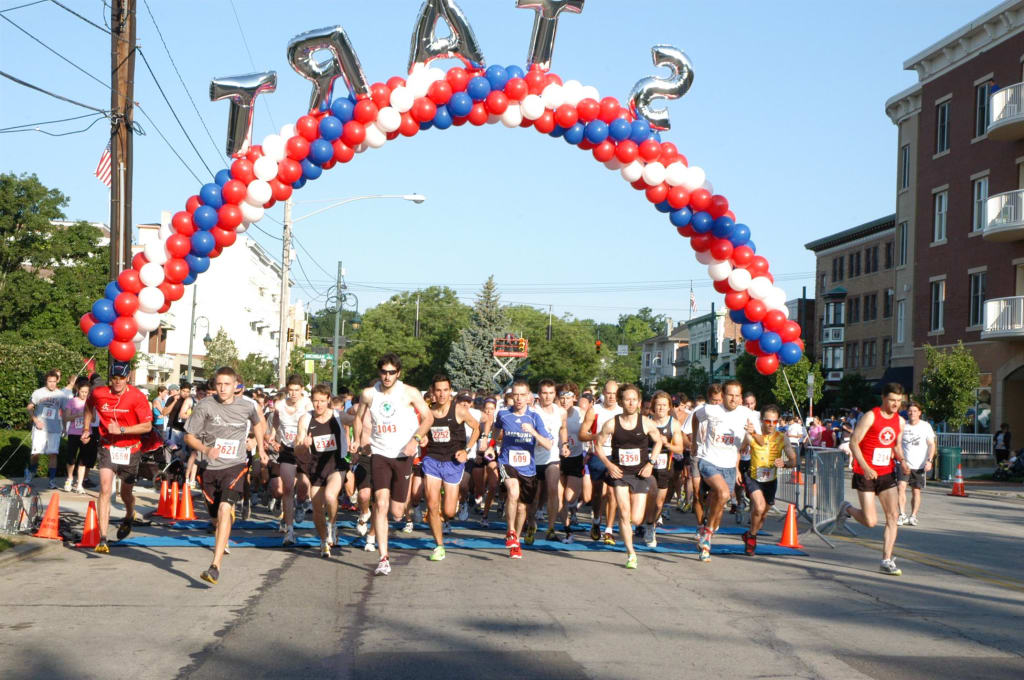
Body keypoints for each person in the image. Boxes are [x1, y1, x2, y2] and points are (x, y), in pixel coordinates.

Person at [185, 366, 266, 584]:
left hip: (235, 465)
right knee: (214, 516)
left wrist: (260, 449)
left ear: (235, 386)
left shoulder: (247, 406)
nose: (222, 388)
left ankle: (215, 566)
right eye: (219, 384)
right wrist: (205, 449)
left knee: (224, 508)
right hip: (209, 467)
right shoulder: (204, 406)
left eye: (227, 384)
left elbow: (259, 425)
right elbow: (189, 437)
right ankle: (222, 521)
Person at [354, 353, 433, 576]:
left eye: (391, 372)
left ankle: (388, 523)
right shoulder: (369, 393)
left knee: (397, 512)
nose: (387, 376)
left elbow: (428, 418)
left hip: (403, 454)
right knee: (380, 502)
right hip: (379, 452)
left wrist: (415, 440)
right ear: (379, 372)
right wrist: (361, 441)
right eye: (383, 372)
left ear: (398, 373)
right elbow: (359, 417)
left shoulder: (409, 392)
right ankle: (383, 558)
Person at [834, 383, 910, 576]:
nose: (895, 405)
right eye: (892, 400)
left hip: (886, 473)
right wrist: (866, 467)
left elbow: (896, 446)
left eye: (899, 401)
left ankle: (886, 560)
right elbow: (853, 442)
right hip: (865, 473)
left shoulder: (900, 421)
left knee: (892, 516)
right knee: (870, 521)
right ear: (883, 398)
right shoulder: (871, 416)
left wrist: (902, 461)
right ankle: (847, 508)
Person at [80, 362, 154, 553]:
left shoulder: (137, 397)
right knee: (105, 489)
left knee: (125, 494)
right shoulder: (99, 393)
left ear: (128, 377)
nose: (118, 382)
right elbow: (89, 407)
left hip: (131, 449)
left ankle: (129, 514)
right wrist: (87, 428)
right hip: (108, 447)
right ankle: (103, 538)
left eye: (121, 378)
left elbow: (147, 427)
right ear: (110, 378)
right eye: (114, 378)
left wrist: (122, 430)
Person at [685, 380, 758, 562]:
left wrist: (753, 433)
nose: (734, 399)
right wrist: (694, 441)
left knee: (718, 512)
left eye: (737, 395)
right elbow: (695, 417)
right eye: (730, 395)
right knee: (724, 493)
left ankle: (707, 533)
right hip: (709, 460)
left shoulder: (747, 414)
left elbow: (762, 440)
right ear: (724, 395)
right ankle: (707, 534)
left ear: (741, 397)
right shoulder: (711, 410)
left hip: (729, 466)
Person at [594, 384, 662, 568]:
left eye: (634, 399)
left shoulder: (646, 423)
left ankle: (632, 531)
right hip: (620, 474)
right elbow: (597, 445)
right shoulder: (612, 423)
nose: (631, 403)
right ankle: (631, 553)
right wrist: (609, 465)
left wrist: (651, 463)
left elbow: (659, 441)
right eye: (627, 399)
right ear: (621, 401)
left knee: (636, 518)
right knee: (624, 514)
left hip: (640, 473)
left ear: (639, 402)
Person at [493, 380, 553, 559]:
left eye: (522, 395)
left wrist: (533, 432)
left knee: (521, 508)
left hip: (528, 468)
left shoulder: (534, 417)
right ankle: (510, 531)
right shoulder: (503, 414)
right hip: (507, 462)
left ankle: (516, 541)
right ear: (511, 396)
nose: (518, 399)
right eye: (515, 395)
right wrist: (491, 444)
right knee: (513, 491)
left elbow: (548, 444)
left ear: (529, 397)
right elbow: (495, 433)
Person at [421, 375, 479, 561]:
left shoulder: (459, 410)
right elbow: (424, 434)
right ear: (432, 392)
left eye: (445, 390)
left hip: (453, 462)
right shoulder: (428, 412)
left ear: (450, 391)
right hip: (432, 459)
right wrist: (424, 439)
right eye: (438, 390)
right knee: (431, 503)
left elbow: (477, 428)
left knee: (449, 512)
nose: (442, 394)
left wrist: (467, 450)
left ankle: (444, 515)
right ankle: (439, 546)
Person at [294, 384, 352, 558]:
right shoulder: (305, 419)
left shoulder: (337, 415)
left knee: (330, 496)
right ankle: (323, 540)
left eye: (322, 401)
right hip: (316, 466)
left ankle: (332, 524)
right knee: (317, 507)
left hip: (336, 464)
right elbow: (296, 449)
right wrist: (304, 445)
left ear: (329, 400)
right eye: (315, 401)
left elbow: (355, 420)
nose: (318, 405)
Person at [742, 405, 797, 555]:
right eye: (768, 421)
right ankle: (752, 538)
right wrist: (736, 470)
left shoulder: (782, 438)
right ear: (762, 420)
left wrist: (785, 464)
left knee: (763, 515)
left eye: (774, 421)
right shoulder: (752, 435)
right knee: (758, 507)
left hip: (770, 480)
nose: (771, 425)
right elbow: (739, 450)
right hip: (753, 477)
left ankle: (750, 534)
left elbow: (793, 460)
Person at [266, 375, 313, 546]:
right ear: (287, 390)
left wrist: (310, 438)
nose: (293, 394)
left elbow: (314, 421)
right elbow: (276, 419)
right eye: (290, 390)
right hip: (287, 449)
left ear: (302, 390)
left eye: (296, 390)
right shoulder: (280, 405)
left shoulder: (307, 404)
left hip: (304, 450)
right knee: (287, 487)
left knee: (303, 486)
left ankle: (301, 503)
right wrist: (272, 434)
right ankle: (290, 530)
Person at [579, 381, 622, 544]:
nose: (611, 397)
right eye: (608, 393)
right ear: (603, 392)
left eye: (614, 393)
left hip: (616, 455)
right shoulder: (594, 410)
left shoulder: (622, 411)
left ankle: (609, 530)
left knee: (613, 492)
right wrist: (596, 437)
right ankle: (596, 521)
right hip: (598, 453)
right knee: (597, 493)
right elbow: (582, 434)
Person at [641, 390, 684, 547]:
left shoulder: (673, 424)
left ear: (669, 407)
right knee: (647, 497)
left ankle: (650, 525)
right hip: (646, 465)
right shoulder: (646, 421)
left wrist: (666, 444)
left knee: (659, 503)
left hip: (664, 466)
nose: (660, 408)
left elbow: (679, 448)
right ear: (653, 406)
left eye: (664, 405)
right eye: (658, 405)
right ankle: (646, 523)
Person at [530, 379, 569, 543]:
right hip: (532, 458)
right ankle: (530, 524)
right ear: (539, 395)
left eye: (551, 393)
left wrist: (564, 445)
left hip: (552, 458)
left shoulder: (561, 412)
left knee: (553, 489)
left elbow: (563, 428)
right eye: (544, 393)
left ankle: (551, 528)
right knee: (534, 495)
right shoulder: (532, 411)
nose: (547, 397)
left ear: (555, 394)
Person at [26, 370, 69, 487]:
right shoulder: (38, 393)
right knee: (36, 453)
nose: (52, 384)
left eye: (54, 382)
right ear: (46, 381)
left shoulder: (61, 395)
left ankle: (51, 480)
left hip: (54, 428)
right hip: (40, 428)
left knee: (53, 454)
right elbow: (29, 407)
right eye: (50, 382)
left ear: (57, 381)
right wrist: (35, 420)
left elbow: (65, 412)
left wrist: (64, 427)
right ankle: (31, 473)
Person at [896, 402, 936, 527]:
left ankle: (913, 516)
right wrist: (900, 459)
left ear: (919, 413)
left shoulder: (925, 426)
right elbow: (896, 443)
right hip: (903, 463)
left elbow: (931, 444)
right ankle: (902, 515)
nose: (912, 413)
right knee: (901, 487)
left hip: (919, 464)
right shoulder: (903, 426)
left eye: (915, 411)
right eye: (910, 411)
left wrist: (929, 461)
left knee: (916, 491)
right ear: (907, 412)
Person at [556, 383, 586, 543]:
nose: (564, 401)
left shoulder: (581, 414)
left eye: (568, 397)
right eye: (562, 397)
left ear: (574, 398)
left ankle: (570, 513)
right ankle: (567, 530)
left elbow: (588, 433)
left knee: (570, 496)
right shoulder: (554, 413)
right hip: (557, 458)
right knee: (559, 497)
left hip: (576, 458)